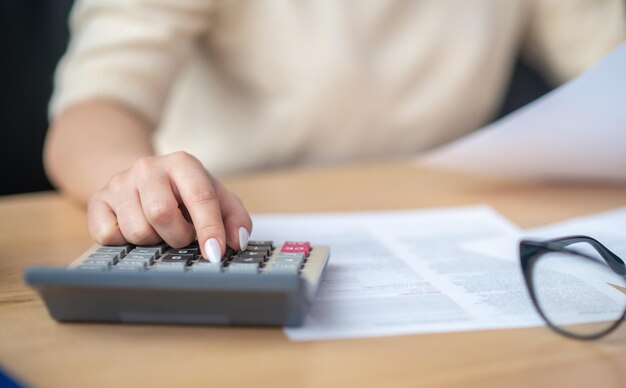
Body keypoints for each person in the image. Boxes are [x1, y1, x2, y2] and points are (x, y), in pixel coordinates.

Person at [44, 0, 626, 262]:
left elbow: (607, 62)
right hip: (233, 228)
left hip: (440, 234)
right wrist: (127, 180)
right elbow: (94, 107)